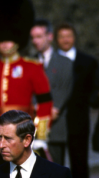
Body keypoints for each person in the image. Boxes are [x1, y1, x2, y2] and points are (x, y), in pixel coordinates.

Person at [0, 0, 52, 169]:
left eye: (9, 40)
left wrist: (41, 133)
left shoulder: (32, 67)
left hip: (23, 132)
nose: (5, 44)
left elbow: (45, 101)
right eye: (2, 40)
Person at [55, 22, 97, 178]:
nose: (65, 39)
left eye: (69, 36)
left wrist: (87, 103)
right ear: (56, 38)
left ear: (74, 38)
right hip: (55, 121)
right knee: (54, 164)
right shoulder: (50, 61)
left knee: (79, 164)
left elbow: (95, 89)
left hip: (78, 121)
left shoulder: (88, 62)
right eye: (62, 36)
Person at [30, 19, 73, 166]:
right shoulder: (30, 63)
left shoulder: (64, 62)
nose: (35, 41)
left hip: (55, 127)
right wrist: (34, 107)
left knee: (55, 170)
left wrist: (53, 108)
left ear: (49, 36)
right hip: (33, 126)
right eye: (33, 37)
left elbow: (64, 88)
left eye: (39, 36)